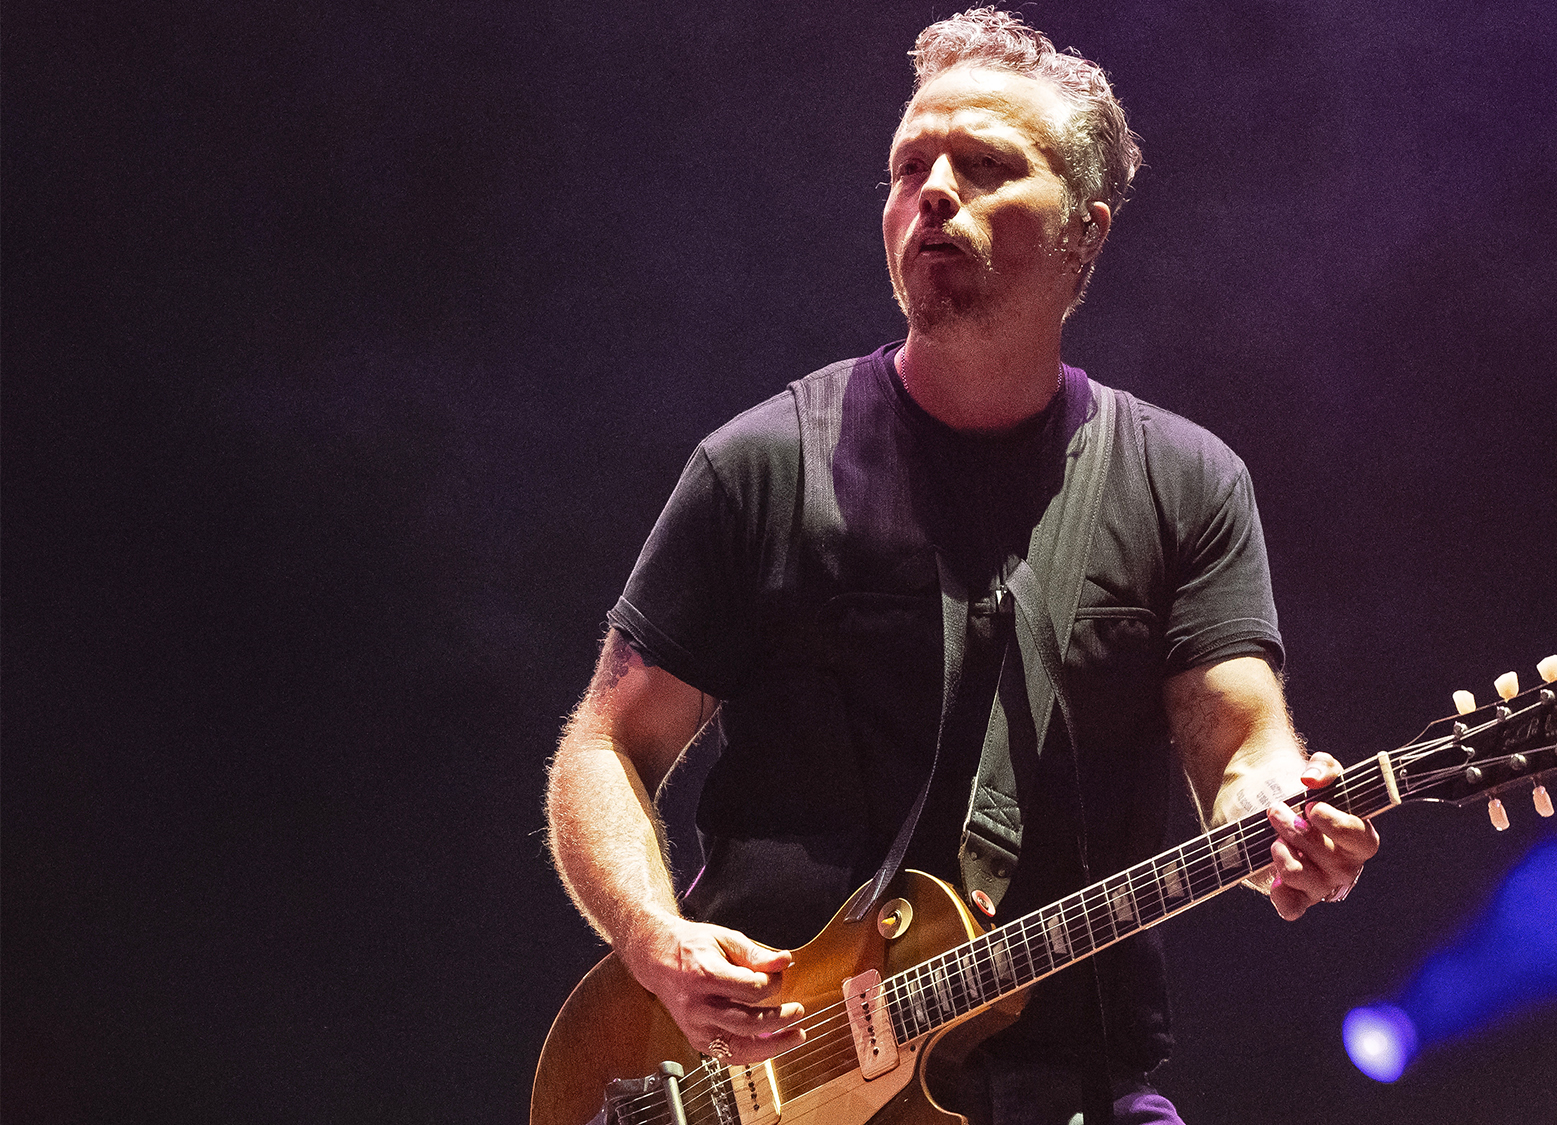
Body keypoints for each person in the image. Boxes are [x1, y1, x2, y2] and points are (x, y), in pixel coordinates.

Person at [544, 9, 1379, 1124]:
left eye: (984, 165)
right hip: (766, 1083)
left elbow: (1238, 742)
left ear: (1084, 233)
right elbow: (607, 742)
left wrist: (1281, 812)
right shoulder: (762, 464)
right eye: (907, 167)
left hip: (1072, 1082)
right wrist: (651, 940)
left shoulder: (1184, 481)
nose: (932, 191)